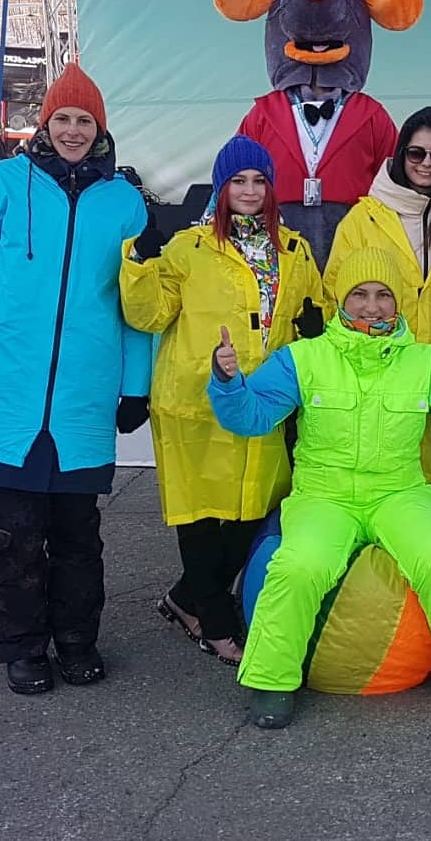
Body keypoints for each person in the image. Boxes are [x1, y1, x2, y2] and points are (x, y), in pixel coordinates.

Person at [207, 247, 431, 729]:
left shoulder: (426, 362)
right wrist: (227, 381)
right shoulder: (302, 358)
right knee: (298, 565)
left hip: (400, 492)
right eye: (359, 294)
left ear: (398, 303)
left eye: (382, 295)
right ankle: (272, 681)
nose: (371, 306)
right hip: (323, 495)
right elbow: (252, 418)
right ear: (340, 299)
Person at [0, 63, 153, 696]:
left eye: (85, 121)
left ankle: (77, 640)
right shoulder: (7, 183)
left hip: (83, 394)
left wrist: (135, 384)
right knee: (16, 534)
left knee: (78, 534)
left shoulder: (125, 202)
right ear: (45, 124)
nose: (73, 131)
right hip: (8, 389)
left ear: (100, 129)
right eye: (63, 119)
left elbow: (139, 303)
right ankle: (24, 648)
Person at [119, 135, 327, 665]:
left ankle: (185, 598)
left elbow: (314, 309)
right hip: (193, 401)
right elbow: (149, 314)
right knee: (201, 516)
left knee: (254, 509)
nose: (250, 191)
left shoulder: (295, 250)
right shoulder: (188, 248)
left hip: (264, 401)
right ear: (221, 186)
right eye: (238, 181)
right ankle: (213, 622)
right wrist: (140, 261)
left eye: (259, 181)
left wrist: (314, 324)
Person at [324, 107, 431, 554]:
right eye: (417, 153)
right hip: (380, 382)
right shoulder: (363, 219)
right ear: (400, 155)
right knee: (384, 507)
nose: (427, 163)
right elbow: (334, 296)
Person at [214, 0, 423, 267]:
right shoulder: (262, 114)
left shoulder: (372, 115)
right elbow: (231, 180)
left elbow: (398, 184)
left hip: (355, 246)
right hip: (277, 247)